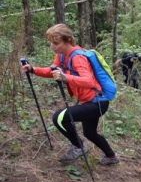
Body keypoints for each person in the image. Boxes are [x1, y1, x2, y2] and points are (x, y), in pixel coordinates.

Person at [21, 24, 119, 165]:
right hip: (89, 101)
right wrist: (32, 69)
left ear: (67, 41)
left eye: (56, 43)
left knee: (59, 118)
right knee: (90, 133)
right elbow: (52, 70)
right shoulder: (62, 56)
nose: (52, 46)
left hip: (97, 102)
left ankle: (79, 147)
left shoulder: (77, 57)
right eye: (51, 42)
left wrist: (65, 77)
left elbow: (88, 81)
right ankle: (111, 156)